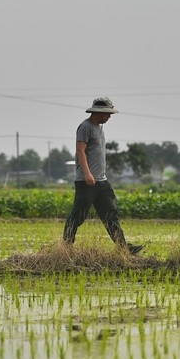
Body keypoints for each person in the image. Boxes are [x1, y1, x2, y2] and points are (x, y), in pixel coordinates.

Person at [62, 97, 144, 254]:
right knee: (78, 215)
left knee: (111, 214)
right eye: (108, 114)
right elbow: (80, 150)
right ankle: (66, 247)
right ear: (99, 112)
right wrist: (87, 174)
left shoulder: (99, 128)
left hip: (101, 181)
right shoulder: (85, 127)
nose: (109, 117)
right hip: (86, 181)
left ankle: (123, 249)